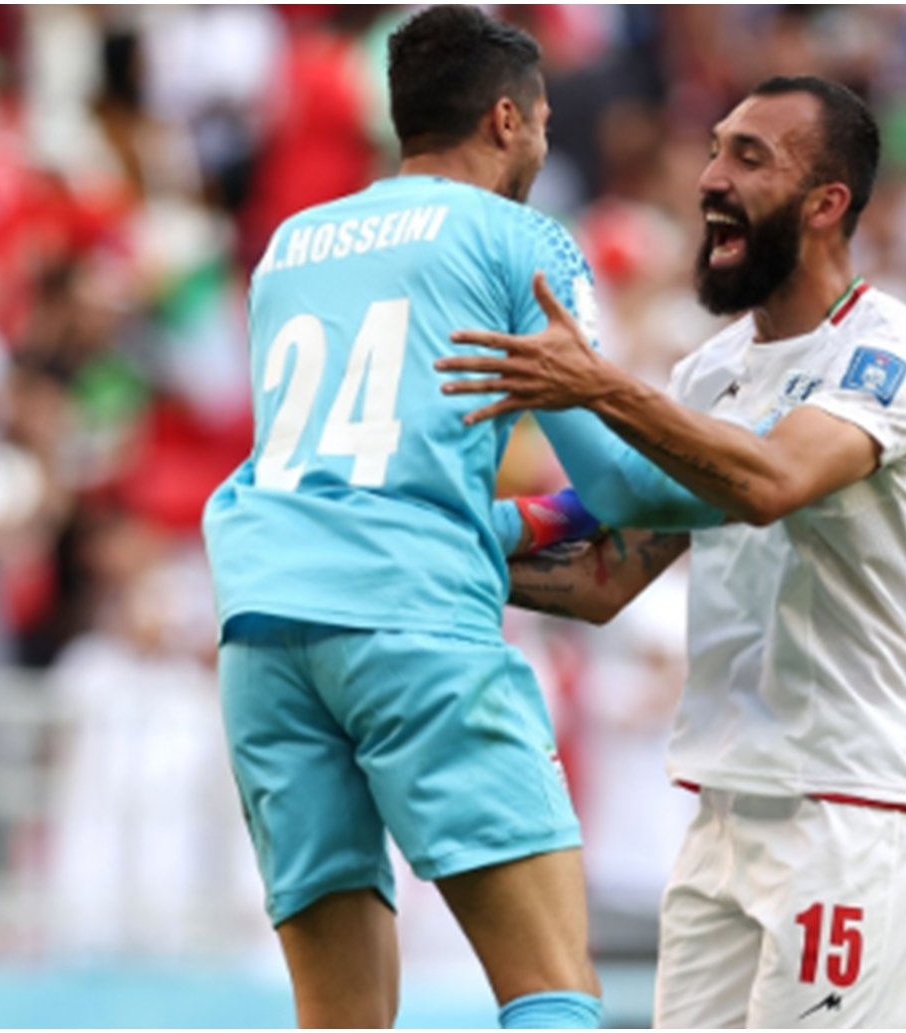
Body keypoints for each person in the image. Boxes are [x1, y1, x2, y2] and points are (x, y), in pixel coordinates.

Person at [201, 7, 712, 1028]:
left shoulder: (292, 246)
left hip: (261, 628)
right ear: (507, 120)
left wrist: (513, 526)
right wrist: (749, 476)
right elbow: (617, 489)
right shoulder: (519, 239)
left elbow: (352, 466)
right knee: (550, 989)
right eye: (545, 121)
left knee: (339, 1016)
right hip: (412, 624)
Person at [438, 76, 906, 1028]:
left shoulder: (892, 356)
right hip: (728, 806)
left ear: (827, 203)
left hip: (860, 805)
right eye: (715, 149)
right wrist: (426, 547)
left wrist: (593, 388)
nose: (709, 178)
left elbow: (768, 483)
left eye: (748, 157)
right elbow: (612, 573)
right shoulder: (710, 370)